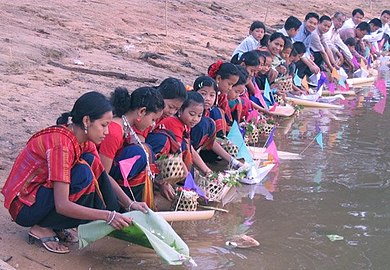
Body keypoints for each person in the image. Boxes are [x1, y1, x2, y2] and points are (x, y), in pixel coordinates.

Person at [1, 91, 148, 254]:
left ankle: (55, 224)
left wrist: (129, 204)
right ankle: (42, 227)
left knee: (92, 168)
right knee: (84, 174)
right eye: (104, 125)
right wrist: (107, 216)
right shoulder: (62, 146)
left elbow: (103, 175)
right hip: (24, 207)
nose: (106, 132)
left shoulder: (84, 141)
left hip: (40, 196)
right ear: (86, 121)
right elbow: (62, 204)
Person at [98, 87, 168, 208]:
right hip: (100, 179)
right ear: (141, 112)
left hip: (110, 174)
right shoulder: (114, 131)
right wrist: (128, 203)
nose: (153, 125)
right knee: (139, 154)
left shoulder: (125, 127)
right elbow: (102, 174)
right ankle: (122, 200)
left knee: (146, 150)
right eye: (153, 119)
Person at [191, 76, 242, 168]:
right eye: (203, 94)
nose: (207, 98)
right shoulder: (190, 113)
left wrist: (234, 162)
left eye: (212, 95)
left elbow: (211, 141)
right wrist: (207, 172)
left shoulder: (207, 113)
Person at [207, 61, 239, 136]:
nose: (230, 88)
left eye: (232, 85)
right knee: (217, 111)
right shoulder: (207, 94)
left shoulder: (222, 96)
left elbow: (227, 115)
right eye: (229, 84)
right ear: (218, 79)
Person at [294, 12, 321, 78]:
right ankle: (296, 77)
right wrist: (311, 65)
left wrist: (310, 57)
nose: (312, 25)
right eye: (310, 22)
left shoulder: (310, 33)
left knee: (313, 56)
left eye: (315, 24)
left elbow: (307, 48)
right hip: (294, 51)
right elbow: (298, 48)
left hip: (301, 52)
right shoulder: (299, 29)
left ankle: (300, 77)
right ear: (305, 21)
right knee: (303, 59)